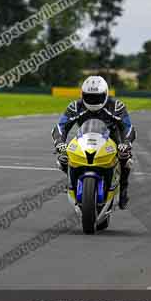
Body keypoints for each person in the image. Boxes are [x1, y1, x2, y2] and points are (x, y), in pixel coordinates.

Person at [51, 76, 136, 209]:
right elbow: (60, 126)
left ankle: (123, 189)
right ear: (83, 95)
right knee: (63, 158)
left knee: (126, 159)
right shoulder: (75, 107)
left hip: (112, 141)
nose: (93, 100)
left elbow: (128, 127)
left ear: (106, 94)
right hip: (84, 139)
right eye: (89, 97)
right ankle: (72, 183)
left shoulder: (116, 106)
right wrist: (59, 142)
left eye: (97, 97)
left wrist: (126, 143)